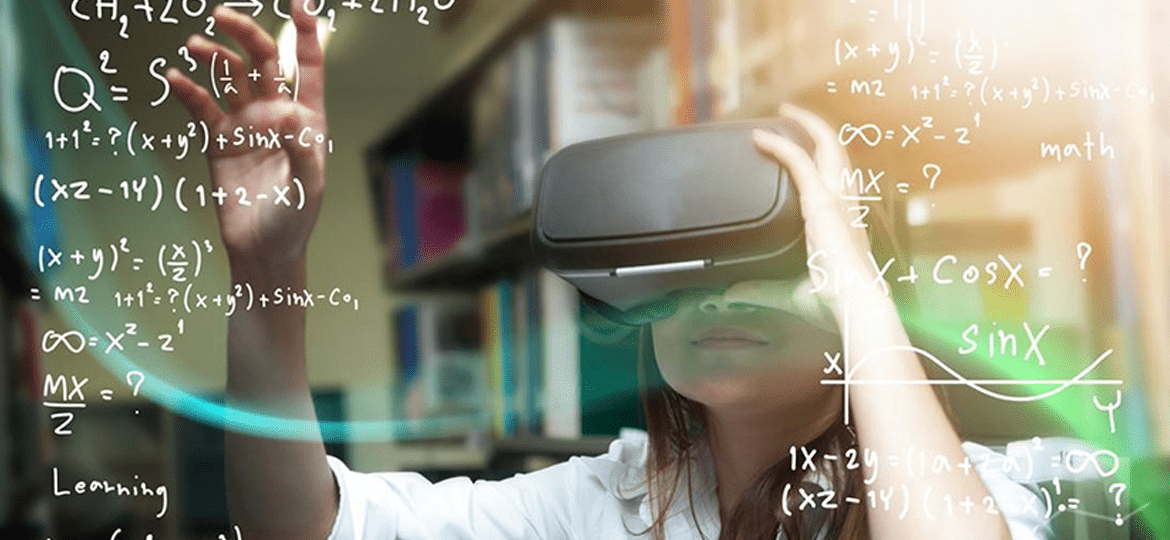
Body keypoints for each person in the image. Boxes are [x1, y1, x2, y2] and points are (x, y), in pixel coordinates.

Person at [167, 2, 1051, 539]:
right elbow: (305, 527)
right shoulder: (603, 504)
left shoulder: (977, 490)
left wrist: (855, 290)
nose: (715, 286)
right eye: (678, 247)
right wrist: (268, 272)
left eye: (769, 245)